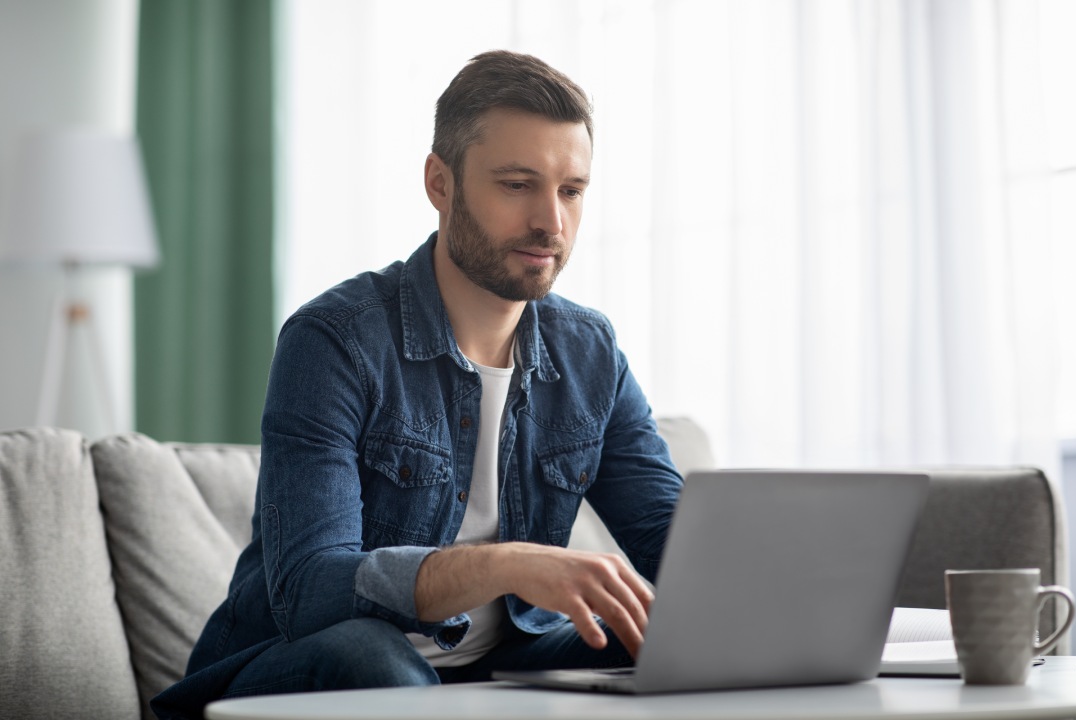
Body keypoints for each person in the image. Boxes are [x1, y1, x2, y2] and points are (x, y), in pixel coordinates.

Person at [152, 49, 683, 720]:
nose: (552, 222)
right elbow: (309, 592)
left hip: (495, 670)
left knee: (657, 645)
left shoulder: (590, 352)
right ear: (440, 182)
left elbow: (677, 545)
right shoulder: (335, 340)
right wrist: (510, 565)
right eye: (517, 184)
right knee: (374, 658)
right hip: (300, 668)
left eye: (571, 190)